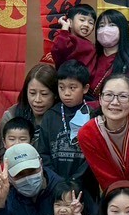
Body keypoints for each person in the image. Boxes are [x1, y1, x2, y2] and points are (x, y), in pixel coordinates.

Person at [77, 72, 129, 195]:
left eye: (123, 96)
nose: (115, 102)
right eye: (108, 95)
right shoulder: (87, 134)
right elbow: (106, 178)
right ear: (100, 99)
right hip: (115, 195)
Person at [38, 59, 93, 192]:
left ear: (85, 88)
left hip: (85, 186)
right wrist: (57, 181)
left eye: (72, 88)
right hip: (54, 186)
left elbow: (94, 155)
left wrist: (75, 180)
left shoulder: (92, 116)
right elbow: (43, 153)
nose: (66, 93)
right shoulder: (50, 116)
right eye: (61, 87)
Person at [0, 63, 57, 149]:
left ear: (55, 94)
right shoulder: (11, 116)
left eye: (44, 94)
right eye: (32, 93)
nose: (37, 99)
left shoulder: (62, 119)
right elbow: (2, 153)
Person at [47, 2, 98, 67]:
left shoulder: (90, 46)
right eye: (82, 20)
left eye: (91, 23)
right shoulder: (64, 40)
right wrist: (64, 29)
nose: (86, 25)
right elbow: (58, 51)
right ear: (70, 22)